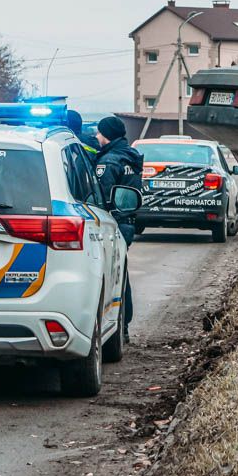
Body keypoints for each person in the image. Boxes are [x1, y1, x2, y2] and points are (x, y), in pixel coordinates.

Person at [93, 115, 143, 338]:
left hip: (114, 224)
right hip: (127, 222)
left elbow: (99, 199)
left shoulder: (109, 161)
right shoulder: (129, 157)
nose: (96, 136)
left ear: (107, 135)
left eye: (99, 133)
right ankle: (123, 325)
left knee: (112, 277)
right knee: (120, 275)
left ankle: (117, 327)